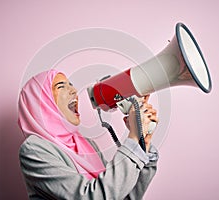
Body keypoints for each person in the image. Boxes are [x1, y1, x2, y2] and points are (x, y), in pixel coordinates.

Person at [18, 69, 159, 200]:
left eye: (71, 85)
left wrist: (142, 143)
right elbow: (93, 196)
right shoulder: (34, 150)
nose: (73, 91)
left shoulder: (85, 143)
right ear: (41, 102)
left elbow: (121, 195)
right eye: (61, 86)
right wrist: (133, 138)